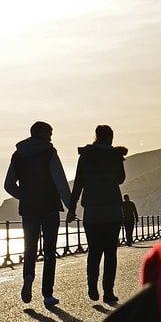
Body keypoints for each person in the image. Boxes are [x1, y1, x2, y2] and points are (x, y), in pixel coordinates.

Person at [4, 121, 72, 307]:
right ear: (41, 133)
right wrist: (70, 206)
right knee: (50, 251)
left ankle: (28, 277)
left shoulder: (18, 155)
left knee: (30, 248)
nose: (51, 137)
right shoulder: (49, 152)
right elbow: (60, 182)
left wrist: (25, 196)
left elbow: (8, 184)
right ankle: (47, 295)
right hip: (49, 208)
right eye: (49, 133)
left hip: (29, 209)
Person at [67, 125, 127, 303]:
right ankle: (108, 291)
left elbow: (78, 183)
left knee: (94, 251)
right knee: (110, 252)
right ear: (110, 137)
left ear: (96, 136)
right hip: (112, 211)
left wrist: (72, 208)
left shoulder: (86, 156)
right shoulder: (115, 155)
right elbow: (120, 179)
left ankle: (92, 284)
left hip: (92, 211)